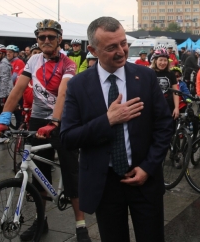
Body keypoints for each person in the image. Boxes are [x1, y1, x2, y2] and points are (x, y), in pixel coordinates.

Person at [60, 16, 173, 242]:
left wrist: (148, 167)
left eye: (123, 43)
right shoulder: (78, 86)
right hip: (105, 184)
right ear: (93, 50)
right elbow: (68, 137)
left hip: (144, 178)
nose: (121, 51)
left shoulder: (146, 77)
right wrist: (108, 120)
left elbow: (164, 126)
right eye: (111, 47)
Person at [0, 20, 90, 242]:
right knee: (38, 172)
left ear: (59, 39)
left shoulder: (67, 63)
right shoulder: (33, 59)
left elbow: (64, 93)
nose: (46, 40)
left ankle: (80, 224)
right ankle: (40, 219)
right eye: (41, 37)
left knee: (70, 170)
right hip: (37, 118)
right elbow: (18, 89)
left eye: (51, 37)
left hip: (64, 119)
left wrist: (54, 121)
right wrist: (3, 118)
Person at [150, 48, 180, 119]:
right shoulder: (150, 73)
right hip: (154, 107)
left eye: (165, 60)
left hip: (169, 107)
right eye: (160, 60)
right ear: (155, 61)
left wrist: (176, 108)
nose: (163, 63)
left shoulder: (171, 74)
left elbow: (175, 92)